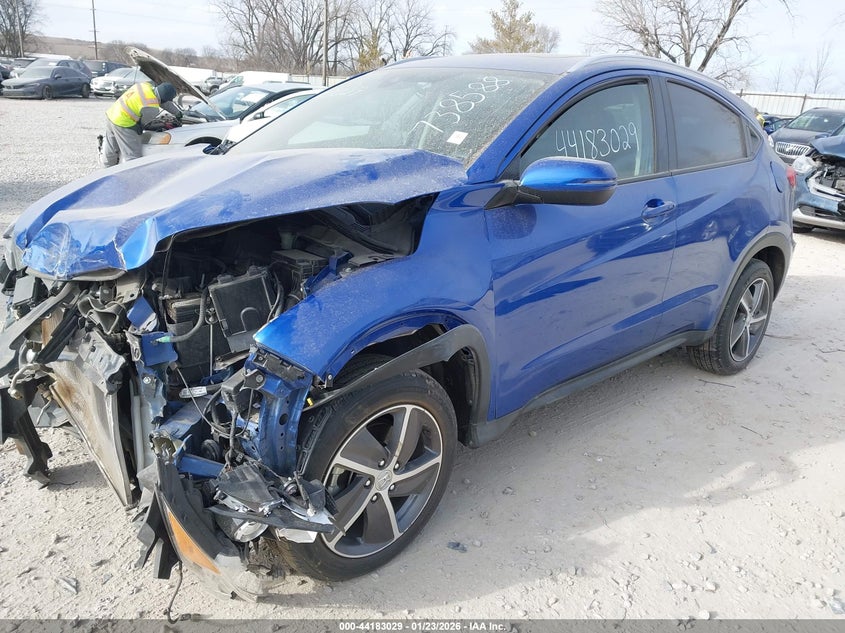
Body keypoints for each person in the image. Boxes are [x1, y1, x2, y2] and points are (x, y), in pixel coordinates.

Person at [100, 82, 177, 167]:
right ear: (163, 99)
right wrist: (162, 124)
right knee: (132, 156)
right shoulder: (151, 106)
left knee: (110, 150)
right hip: (124, 123)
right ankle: (134, 176)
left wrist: (178, 113)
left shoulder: (145, 85)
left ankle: (106, 171)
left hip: (112, 114)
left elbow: (164, 102)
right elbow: (146, 124)